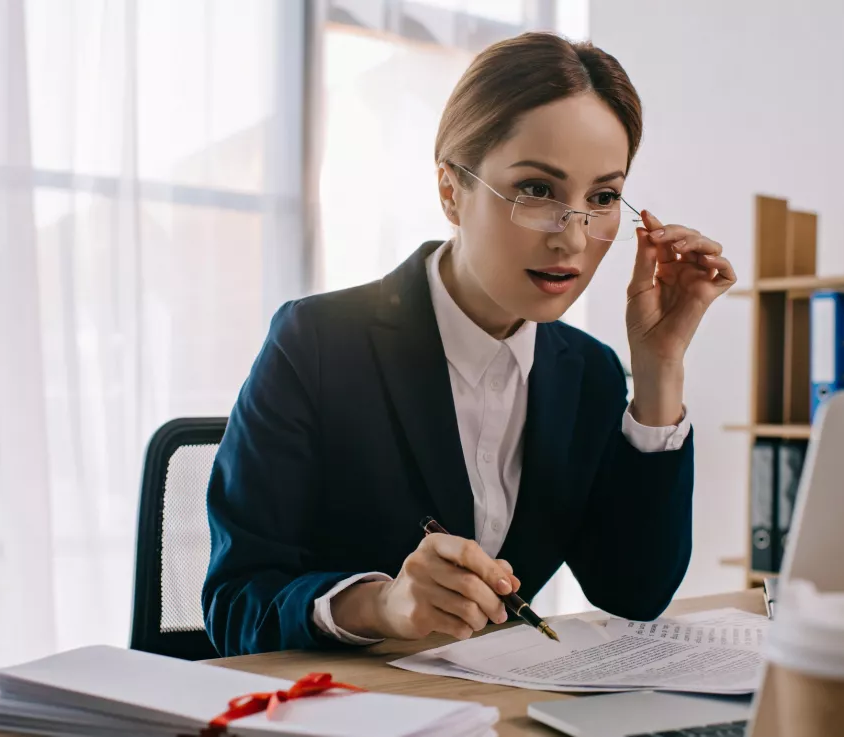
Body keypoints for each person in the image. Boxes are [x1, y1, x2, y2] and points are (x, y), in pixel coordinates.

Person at [202, 31, 736, 656]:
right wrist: (383, 604)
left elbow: (634, 591)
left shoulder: (587, 372)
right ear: (452, 190)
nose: (572, 236)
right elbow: (233, 601)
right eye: (538, 190)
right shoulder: (316, 344)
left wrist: (659, 370)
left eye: (602, 197)